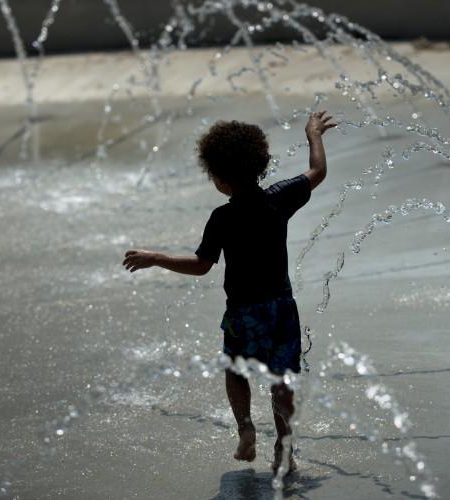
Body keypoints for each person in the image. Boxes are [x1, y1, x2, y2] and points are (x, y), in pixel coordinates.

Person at [122, 111, 336, 474]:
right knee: (282, 379)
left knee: (236, 371)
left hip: (243, 312)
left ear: (219, 178)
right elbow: (318, 172)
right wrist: (314, 135)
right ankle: (284, 450)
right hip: (281, 308)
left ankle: (246, 429)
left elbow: (201, 265)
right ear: (259, 163)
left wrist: (157, 258)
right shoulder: (279, 197)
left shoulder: (222, 218)